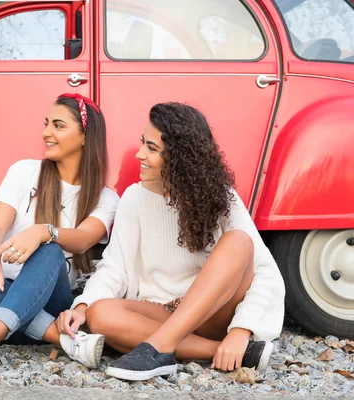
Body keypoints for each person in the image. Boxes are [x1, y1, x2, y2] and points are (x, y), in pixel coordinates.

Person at [56, 102, 285, 381]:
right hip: (159, 314)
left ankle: (159, 348)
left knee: (238, 242)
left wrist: (240, 330)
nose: (139, 154)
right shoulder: (133, 197)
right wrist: (83, 305)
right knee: (100, 313)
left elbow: (265, 272)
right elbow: (114, 267)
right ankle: (221, 352)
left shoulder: (220, 197)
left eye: (151, 148)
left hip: (211, 313)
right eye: (143, 143)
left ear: (180, 157)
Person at [0, 93, 120, 377]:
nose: (46, 133)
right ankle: (66, 340)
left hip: (45, 303)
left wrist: (43, 231)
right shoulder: (24, 171)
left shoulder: (106, 198)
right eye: (46, 123)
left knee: (50, 248)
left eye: (58, 125)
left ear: (85, 136)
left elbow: (84, 238)